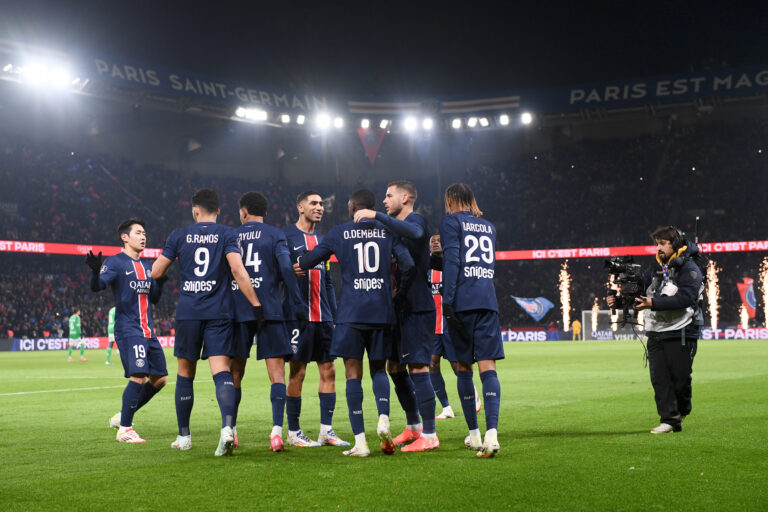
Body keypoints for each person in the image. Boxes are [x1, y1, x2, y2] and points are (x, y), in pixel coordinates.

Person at [296, 189, 414, 457]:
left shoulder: (339, 232)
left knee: (352, 375)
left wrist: (299, 262)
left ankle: (360, 442)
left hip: (350, 314)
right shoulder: (387, 231)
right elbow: (407, 264)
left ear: (352, 207)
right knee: (379, 371)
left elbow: (311, 260)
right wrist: (397, 294)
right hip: (382, 311)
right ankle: (383, 419)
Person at [151, 188, 264, 456]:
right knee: (221, 370)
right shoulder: (227, 234)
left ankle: (184, 436)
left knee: (184, 373)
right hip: (219, 312)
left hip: (189, 312)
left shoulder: (179, 235)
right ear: (219, 211)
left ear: (195, 210)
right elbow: (238, 270)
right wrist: (256, 304)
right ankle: (227, 429)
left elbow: (156, 271)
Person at [353, 181, 438, 452]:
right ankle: (413, 426)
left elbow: (413, 233)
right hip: (396, 308)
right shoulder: (391, 229)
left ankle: (430, 434)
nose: (384, 200)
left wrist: (375, 215)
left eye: (389, 196)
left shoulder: (417, 220)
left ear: (405, 197)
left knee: (418, 367)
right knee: (394, 367)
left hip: (416, 305)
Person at [230, 191, 307, 452]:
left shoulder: (232, 235)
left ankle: (231, 430)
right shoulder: (275, 235)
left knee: (234, 373)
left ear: (243, 212)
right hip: (271, 309)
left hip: (239, 309)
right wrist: (297, 304)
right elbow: (286, 269)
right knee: (277, 374)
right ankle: (276, 432)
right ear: (265, 213)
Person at [610, 226, 703, 434]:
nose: (658, 248)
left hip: (681, 332)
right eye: (656, 244)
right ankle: (669, 420)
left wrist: (652, 303)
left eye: (662, 243)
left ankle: (682, 410)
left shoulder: (690, 269)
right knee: (659, 378)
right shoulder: (654, 268)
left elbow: (686, 298)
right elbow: (640, 292)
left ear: (676, 244)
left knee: (680, 379)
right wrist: (618, 301)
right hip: (655, 332)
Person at [85, 219, 168, 443]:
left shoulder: (147, 265)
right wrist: (94, 272)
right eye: (139, 233)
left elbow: (155, 299)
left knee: (160, 379)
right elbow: (97, 286)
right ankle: (125, 429)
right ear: (125, 237)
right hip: (129, 330)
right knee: (139, 376)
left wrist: (161, 282)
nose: (143, 237)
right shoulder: (116, 263)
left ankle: (123, 415)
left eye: (145, 233)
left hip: (148, 331)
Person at [439, 183, 504, 458]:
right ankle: (492, 433)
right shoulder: (488, 226)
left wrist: (448, 300)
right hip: (488, 301)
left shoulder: (450, 222)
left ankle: (475, 435)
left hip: (462, 302)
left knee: (463, 367)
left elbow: (453, 262)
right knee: (488, 367)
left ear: (452, 200)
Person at [284, 190, 349, 447]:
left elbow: (329, 282)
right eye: (314, 203)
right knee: (297, 372)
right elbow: (280, 274)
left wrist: (334, 315)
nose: (320, 207)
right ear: (300, 207)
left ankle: (326, 430)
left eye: (322, 203)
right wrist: (290, 273)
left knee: (329, 370)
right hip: (299, 319)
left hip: (323, 317)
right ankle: (293, 432)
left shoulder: (324, 241)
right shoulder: (287, 237)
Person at [427, 234, 482, 421]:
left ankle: (473, 394)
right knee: (432, 364)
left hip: (450, 324)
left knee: (456, 366)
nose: (435, 242)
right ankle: (446, 407)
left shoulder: (453, 267)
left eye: (438, 240)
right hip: (433, 327)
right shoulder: (427, 269)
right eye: (432, 241)